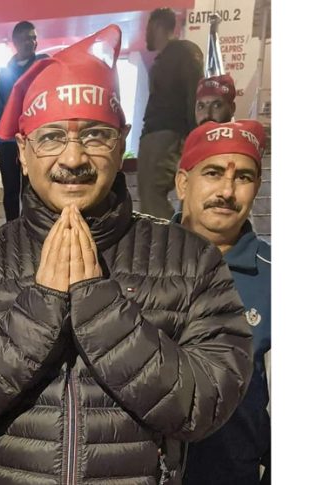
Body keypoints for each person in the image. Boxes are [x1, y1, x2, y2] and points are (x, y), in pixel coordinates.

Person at [0, 25, 252, 484]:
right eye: (51, 138)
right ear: (24, 153)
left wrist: (100, 307)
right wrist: (40, 308)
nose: (73, 159)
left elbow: (206, 402)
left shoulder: (190, 261)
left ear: (122, 141)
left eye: (94, 135)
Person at [173, 120, 270, 485]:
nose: (227, 191)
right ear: (183, 182)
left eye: (243, 177)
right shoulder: (138, 264)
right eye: (213, 173)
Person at [138, 7, 204, 219]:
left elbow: (195, 93)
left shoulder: (183, 52)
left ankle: (169, 241)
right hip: (157, 133)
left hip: (168, 132)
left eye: (148, 27)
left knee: (152, 194)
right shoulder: (165, 58)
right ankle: (167, 240)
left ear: (156, 26)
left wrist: (195, 136)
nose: (145, 33)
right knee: (148, 195)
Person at [0, 20, 49, 221]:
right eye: (26, 38)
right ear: (15, 41)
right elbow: (0, 106)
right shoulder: (5, 73)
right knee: (11, 190)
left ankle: (30, 227)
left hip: (33, 138)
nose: (31, 42)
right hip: (9, 140)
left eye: (34, 38)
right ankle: (12, 228)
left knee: (31, 188)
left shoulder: (42, 66)